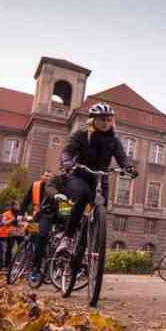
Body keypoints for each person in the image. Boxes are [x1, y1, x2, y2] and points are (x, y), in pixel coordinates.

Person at [55, 103, 137, 255]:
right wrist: (66, 161)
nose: (106, 122)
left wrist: (128, 167)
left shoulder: (114, 140)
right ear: (92, 120)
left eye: (108, 119)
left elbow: (122, 157)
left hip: (100, 180)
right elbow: (68, 151)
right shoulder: (81, 135)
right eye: (102, 119)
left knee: (100, 209)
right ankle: (67, 238)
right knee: (84, 195)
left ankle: (89, 251)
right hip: (79, 176)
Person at [21, 170, 66, 285]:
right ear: (41, 176)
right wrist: (21, 215)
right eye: (45, 175)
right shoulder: (35, 186)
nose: (47, 178)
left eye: (50, 176)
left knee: (44, 239)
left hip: (50, 216)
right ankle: (28, 262)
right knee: (31, 237)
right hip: (36, 217)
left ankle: (45, 267)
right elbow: (25, 201)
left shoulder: (57, 187)